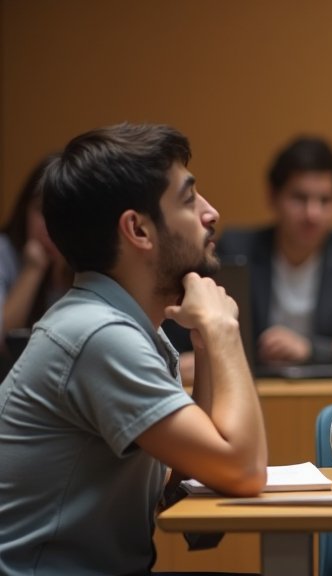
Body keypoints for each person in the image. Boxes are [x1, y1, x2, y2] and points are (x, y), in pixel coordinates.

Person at [0, 123, 268, 575]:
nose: (211, 213)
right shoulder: (98, 335)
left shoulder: (128, 326)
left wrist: (204, 343)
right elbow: (244, 470)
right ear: (138, 229)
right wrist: (222, 328)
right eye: (188, 199)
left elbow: (201, 469)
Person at [217, 136, 332, 367]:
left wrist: (310, 349)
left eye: (325, 200)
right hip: (251, 381)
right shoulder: (236, 248)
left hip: (326, 388)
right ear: (273, 197)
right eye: (299, 198)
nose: (312, 214)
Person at [0, 154, 73, 349]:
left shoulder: (88, 260)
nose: (50, 225)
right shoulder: (4, 251)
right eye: (41, 210)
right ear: (24, 209)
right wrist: (33, 268)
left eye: (63, 214)